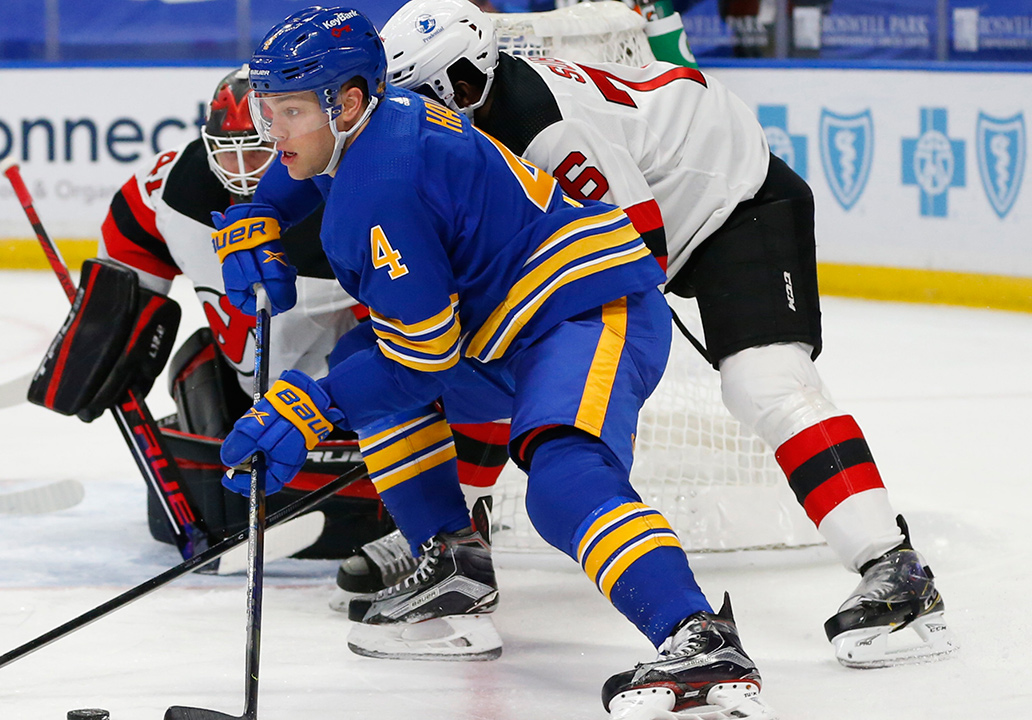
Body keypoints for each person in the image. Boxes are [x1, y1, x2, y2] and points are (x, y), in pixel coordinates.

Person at [214, 7, 777, 717]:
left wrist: (314, 405)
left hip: (586, 311)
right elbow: (309, 167)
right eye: (269, 110)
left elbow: (422, 363)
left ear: (349, 100)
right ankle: (454, 562)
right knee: (367, 358)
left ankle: (698, 637)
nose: (274, 133)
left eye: (289, 110)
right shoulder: (370, 124)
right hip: (511, 324)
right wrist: (259, 211)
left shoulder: (379, 191)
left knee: (561, 477)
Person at [379, 0, 953, 669]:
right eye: (413, 96)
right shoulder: (466, 129)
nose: (431, 109)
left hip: (733, 197)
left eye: (445, 91)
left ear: (474, 75)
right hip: (667, 193)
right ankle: (451, 545)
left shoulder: (544, 128)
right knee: (491, 355)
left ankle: (895, 565)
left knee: (762, 380)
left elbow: (636, 249)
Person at [91, 66, 507, 559]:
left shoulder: (365, 196)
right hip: (268, 406)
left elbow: (435, 349)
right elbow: (132, 226)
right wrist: (106, 319)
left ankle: (453, 519)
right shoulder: (185, 185)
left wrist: (471, 485)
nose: (244, 167)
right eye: (230, 149)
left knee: (416, 364)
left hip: (348, 408)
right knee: (196, 361)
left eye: (259, 147)